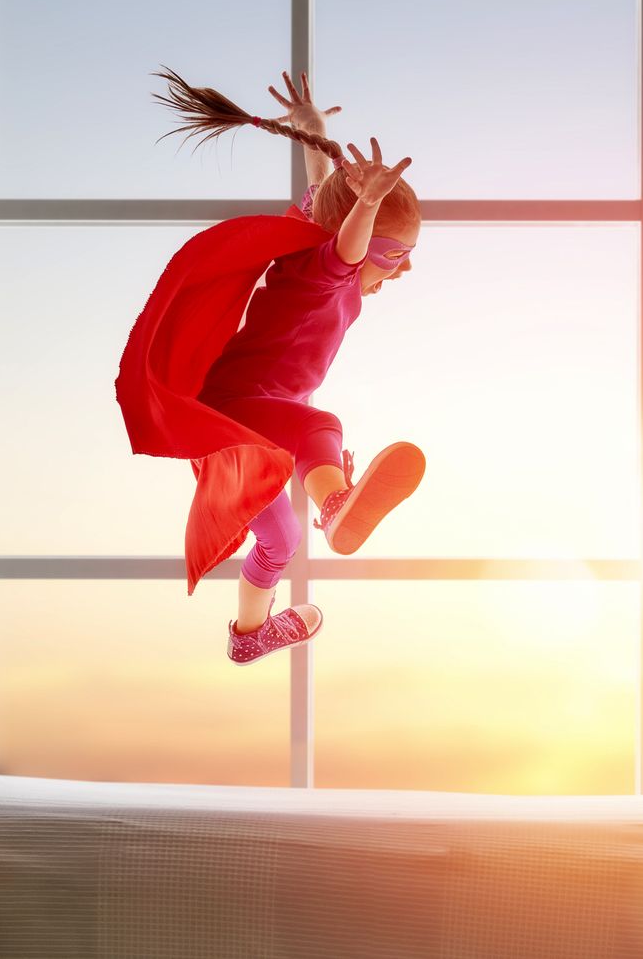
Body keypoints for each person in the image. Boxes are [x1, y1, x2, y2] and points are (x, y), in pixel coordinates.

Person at [116, 67, 424, 666]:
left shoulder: (312, 243)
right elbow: (345, 242)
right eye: (398, 256)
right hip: (236, 408)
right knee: (320, 427)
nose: (403, 269)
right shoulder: (318, 275)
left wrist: (310, 134)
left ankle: (248, 635)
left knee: (281, 539)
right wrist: (365, 204)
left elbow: (321, 203)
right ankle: (335, 507)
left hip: (245, 427)